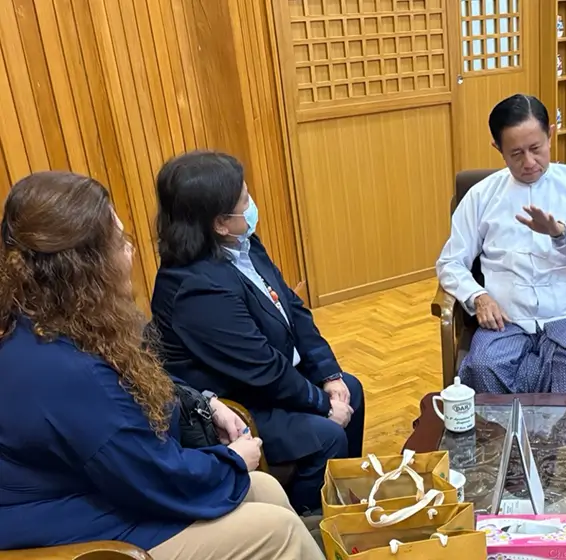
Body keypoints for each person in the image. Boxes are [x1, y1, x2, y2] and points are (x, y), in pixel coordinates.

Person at [0, 172, 324, 559]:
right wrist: (232, 459)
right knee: (279, 531)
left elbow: (133, 391)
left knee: (265, 490)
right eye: (119, 241)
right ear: (86, 268)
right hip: (74, 526)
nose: (130, 250)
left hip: (97, 490)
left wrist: (201, 402)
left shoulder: (51, 320)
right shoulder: (65, 372)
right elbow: (152, 476)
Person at [150, 150, 364, 514]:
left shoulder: (243, 245)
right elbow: (260, 368)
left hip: (271, 379)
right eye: (245, 200)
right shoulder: (197, 290)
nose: (252, 206)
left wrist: (328, 374)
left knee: (350, 387)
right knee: (326, 434)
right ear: (219, 222)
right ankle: (308, 522)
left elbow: (293, 309)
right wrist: (322, 404)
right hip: (238, 403)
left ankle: (343, 503)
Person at [436, 93, 566, 395]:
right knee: (483, 367)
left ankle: (563, 444)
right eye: (516, 154)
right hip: (506, 316)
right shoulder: (482, 196)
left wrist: (562, 233)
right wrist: (479, 297)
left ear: (551, 134)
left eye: (536, 148)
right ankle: (503, 444)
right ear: (498, 149)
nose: (529, 162)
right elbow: (450, 262)